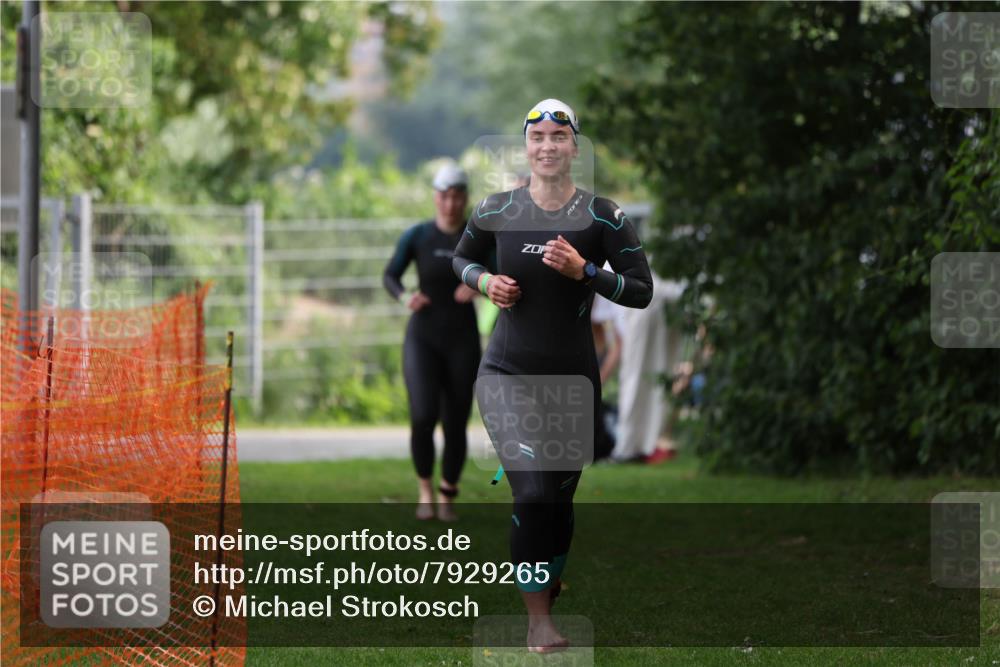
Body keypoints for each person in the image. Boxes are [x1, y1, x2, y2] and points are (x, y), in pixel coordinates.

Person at [452, 99, 653, 652]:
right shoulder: (497, 209)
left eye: (558, 138)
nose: (547, 146)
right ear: (527, 147)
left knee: (559, 502)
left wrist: (587, 272)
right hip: (505, 374)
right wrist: (484, 281)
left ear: (574, 147)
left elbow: (642, 289)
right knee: (535, 492)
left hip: (573, 381)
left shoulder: (602, 216)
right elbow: (459, 259)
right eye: (537, 137)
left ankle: (545, 580)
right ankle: (538, 619)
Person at [383, 162, 480, 522]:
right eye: (444, 196)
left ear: (465, 199)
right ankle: (425, 489)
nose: (451, 204)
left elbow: (504, 274)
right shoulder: (418, 235)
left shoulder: (476, 237)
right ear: (435, 198)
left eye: (457, 197)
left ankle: (447, 495)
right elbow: (390, 275)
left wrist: (478, 285)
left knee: (456, 421)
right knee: (423, 415)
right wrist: (406, 296)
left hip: (462, 338)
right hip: (422, 337)